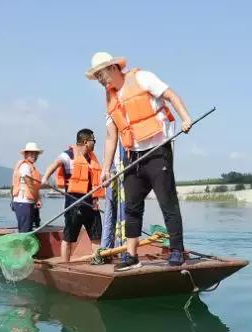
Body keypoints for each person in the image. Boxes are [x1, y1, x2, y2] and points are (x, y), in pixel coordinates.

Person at [86, 52, 194, 271]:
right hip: (133, 158)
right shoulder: (110, 97)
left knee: (167, 202)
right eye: (96, 76)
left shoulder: (142, 78)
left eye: (101, 74)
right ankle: (132, 256)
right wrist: (105, 169)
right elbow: (111, 136)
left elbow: (171, 95)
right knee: (132, 208)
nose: (100, 80)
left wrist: (185, 118)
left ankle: (176, 250)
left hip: (157, 152)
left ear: (114, 68)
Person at [42, 129, 105, 262]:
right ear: (85, 142)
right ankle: (65, 265)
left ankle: (98, 261)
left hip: (91, 205)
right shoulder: (67, 156)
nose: (95, 143)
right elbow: (53, 165)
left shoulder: (92, 159)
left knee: (96, 236)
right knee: (68, 238)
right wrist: (46, 178)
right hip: (74, 206)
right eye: (93, 140)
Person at [10, 142, 43, 233]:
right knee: (25, 231)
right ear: (26, 154)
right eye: (31, 153)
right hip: (23, 202)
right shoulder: (24, 166)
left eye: (35, 153)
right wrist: (37, 199)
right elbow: (28, 183)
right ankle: (22, 247)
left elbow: (35, 186)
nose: (34, 155)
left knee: (29, 228)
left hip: (28, 202)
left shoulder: (31, 167)